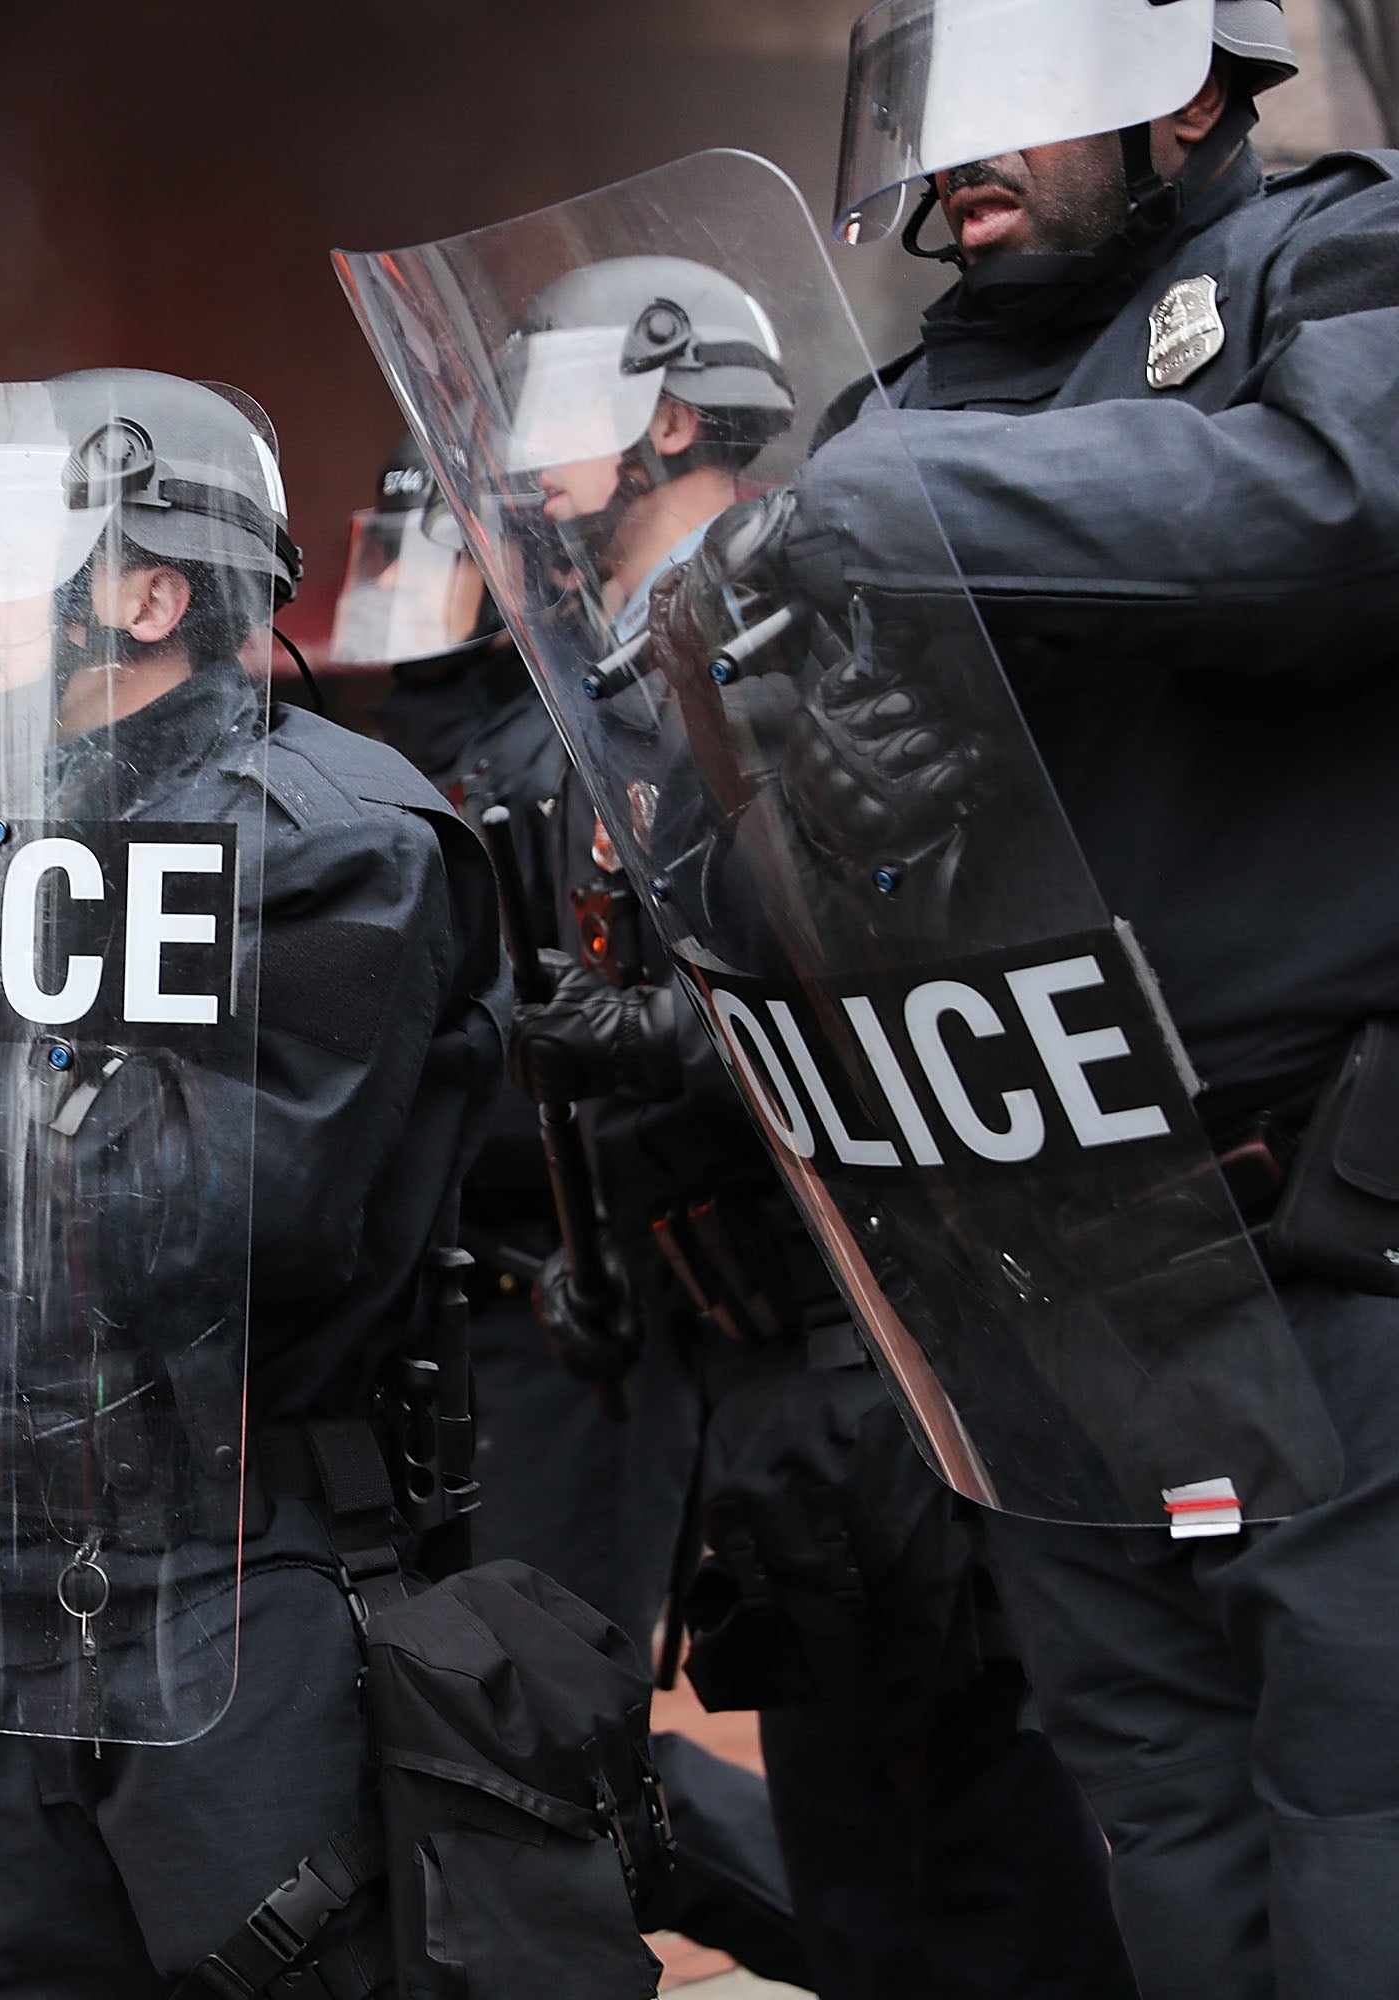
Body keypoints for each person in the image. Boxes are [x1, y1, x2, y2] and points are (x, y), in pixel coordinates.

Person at [0, 370, 514, 1996]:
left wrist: (4, 1007)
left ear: (152, 591)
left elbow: (226, 1218)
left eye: (12, 566)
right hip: (7, 1606)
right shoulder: (5, 861)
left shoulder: (334, 846)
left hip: (240, 1591)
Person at [785, 1, 1399, 1988]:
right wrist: (789, 816)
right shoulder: (874, 428)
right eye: (941, 110)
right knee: (1159, 1828)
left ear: (1194, 90)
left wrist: (918, 518)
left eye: (1023, 101)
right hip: (1050, 1264)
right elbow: (729, 836)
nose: (967, 151)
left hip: (1330, 1250)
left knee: (1365, 1817)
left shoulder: (1334, 262)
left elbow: (1333, 519)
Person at [498, 254, 1137, 1999]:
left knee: (977, 1848)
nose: (518, 455)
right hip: (760, 1355)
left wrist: (669, 1049)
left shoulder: (786, 630)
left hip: (895, 1329)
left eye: (559, 412)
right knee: (863, 1867)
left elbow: (912, 973)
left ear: (676, 416)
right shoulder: (608, 684)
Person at [346, 437, 810, 1983]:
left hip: (571, 1311)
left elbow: (619, 1052)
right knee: (459, 1731)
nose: (409, 605)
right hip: (446, 1324)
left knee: (543, 1730)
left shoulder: (569, 747)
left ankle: (864, 1942)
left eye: (444, 567)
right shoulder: (402, 770)